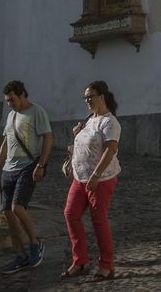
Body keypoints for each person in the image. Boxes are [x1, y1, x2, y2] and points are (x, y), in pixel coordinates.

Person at [0, 80, 54, 274]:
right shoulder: (10, 116)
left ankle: (35, 244)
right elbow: (5, 143)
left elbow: (48, 138)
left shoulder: (36, 112)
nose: (10, 103)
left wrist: (41, 165)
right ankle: (20, 254)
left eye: (12, 100)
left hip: (28, 166)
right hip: (9, 169)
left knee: (18, 207)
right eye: (7, 101)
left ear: (23, 94)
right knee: (7, 212)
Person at [62, 80, 121, 281]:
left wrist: (96, 175)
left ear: (102, 97)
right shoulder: (88, 120)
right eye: (85, 97)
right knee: (71, 214)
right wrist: (70, 159)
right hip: (80, 178)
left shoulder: (109, 122)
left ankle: (107, 266)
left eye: (91, 96)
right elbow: (81, 146)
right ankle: (80, 261)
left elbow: (110, 149)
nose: (87, 100)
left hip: (101, 179)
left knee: (99, 221)